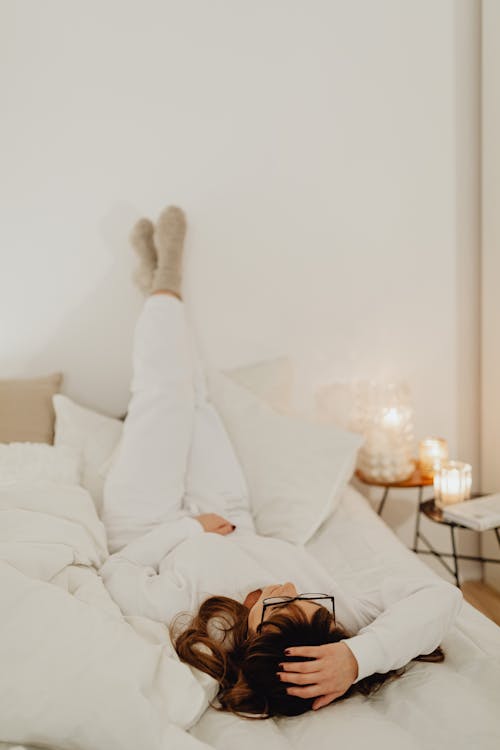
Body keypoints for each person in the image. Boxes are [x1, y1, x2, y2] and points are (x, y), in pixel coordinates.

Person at [99, 205, 463, 718]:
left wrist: (186, 528)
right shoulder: (328, 614)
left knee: (166, 394)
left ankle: (163, 280)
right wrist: (359, 656)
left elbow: (119, 571)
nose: (291, 587)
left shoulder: (192, 619)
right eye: (307, 600)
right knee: (197, 401)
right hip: (233, 517)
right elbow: (440, 597)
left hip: (149, 525)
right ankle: (156, 293)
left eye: (279, 604)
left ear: (249, 641)